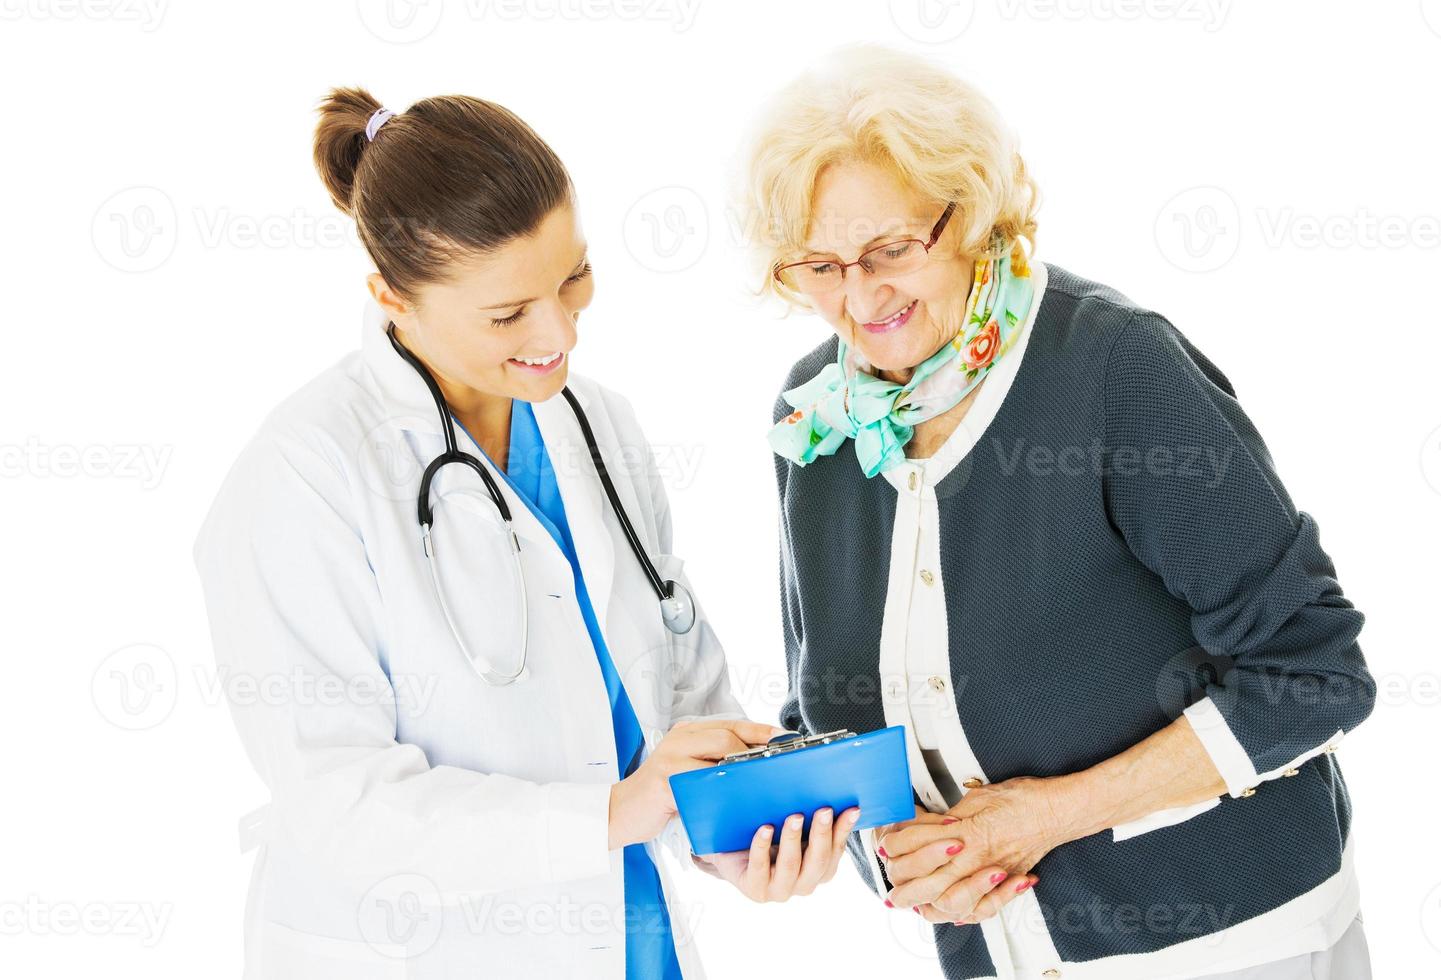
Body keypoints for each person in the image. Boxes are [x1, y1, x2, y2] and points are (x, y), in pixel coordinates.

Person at [193, 87, 858, 980]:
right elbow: (336, 801)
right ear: (390, 294)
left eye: (573, 279)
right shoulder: (304, 474)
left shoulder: (596, 424)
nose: (559, 332)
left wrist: (729, 828)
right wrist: (611, 816)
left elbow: (674, 691)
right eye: (508, 315)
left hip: (627, 940)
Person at [744, 46, 1375, 979]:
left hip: (1229, 942)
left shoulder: (1116, 368)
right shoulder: (815, 418)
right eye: (820, 265)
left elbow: (1315, 671)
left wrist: (1044, 818)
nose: (860, 296)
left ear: (975, 214)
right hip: (1000, 957)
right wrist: (863, 849)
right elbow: (837, 711)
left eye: (890, 250)